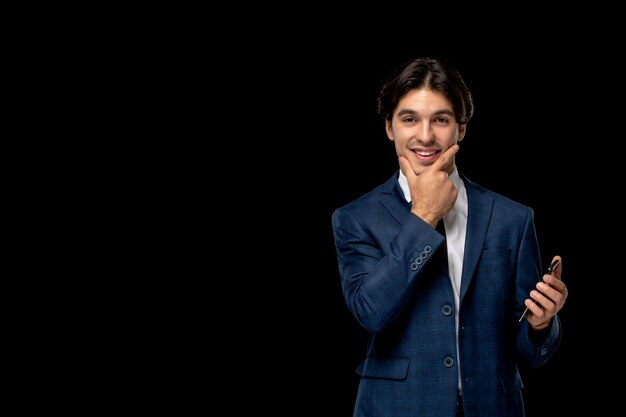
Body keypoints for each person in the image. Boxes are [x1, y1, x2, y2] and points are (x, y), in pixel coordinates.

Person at [331, 57, 568, 417]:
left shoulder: (512, 218)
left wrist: (540, 324)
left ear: (462, 128)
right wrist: (424, 215)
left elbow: (528, 352)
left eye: (440, 120)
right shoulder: (355, 219)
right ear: (389, 128)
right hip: (397, 408)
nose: (425, 136)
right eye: (409, 119)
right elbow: (371, 312)